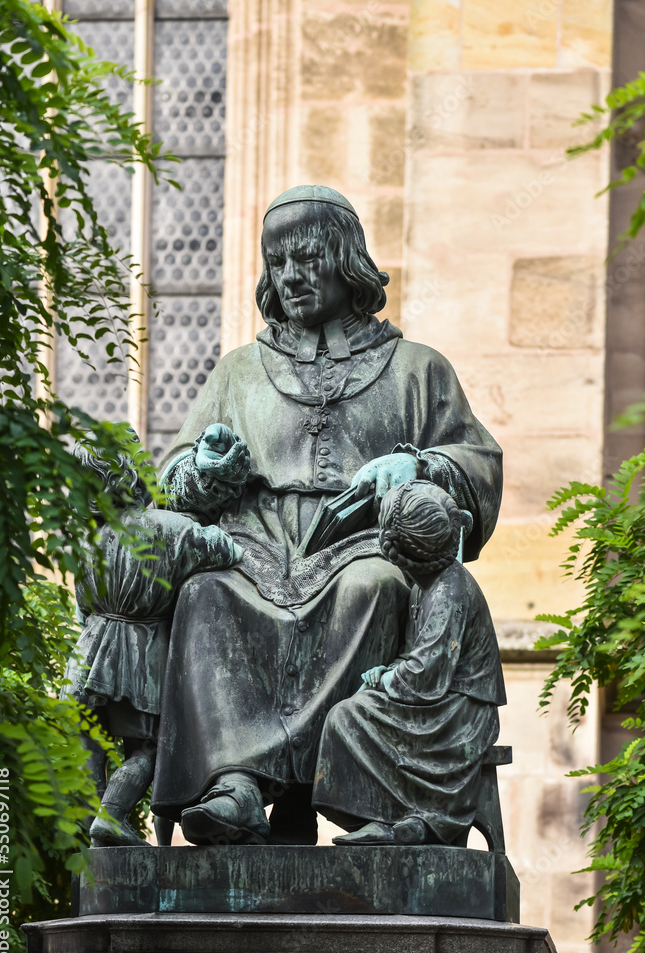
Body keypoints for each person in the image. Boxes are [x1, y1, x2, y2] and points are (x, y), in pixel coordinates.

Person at [150, 185, 503, 847]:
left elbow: (478, 464)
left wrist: (420, 468)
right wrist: (207, 472)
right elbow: (169, 479)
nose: (291, 276)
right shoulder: (238, 372)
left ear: (347, 263)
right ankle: (236, 786)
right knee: (203, 596)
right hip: (252, 552)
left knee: (375, 590)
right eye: (278, 262)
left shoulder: (417, 370)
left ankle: (334, 784)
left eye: (307, 259)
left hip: (366, 545)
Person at [60, 431, 242, 847]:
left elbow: (82, 610)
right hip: (139, 655)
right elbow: (229, 550)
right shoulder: (171, 528)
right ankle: (112, 815)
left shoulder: (88, 541)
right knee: (150, 748)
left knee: (89, 744)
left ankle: (92, 833)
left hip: (87, 656)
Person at [312, 481, 506, 845]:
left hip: (459, 713)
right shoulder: (424, 585)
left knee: (349, 717)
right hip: (438, 700)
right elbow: (417, 657)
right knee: (351, 713)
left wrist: (386, 680)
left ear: (400, 552)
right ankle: (389, 819)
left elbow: (428, 673)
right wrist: (388, 671)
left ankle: (406, 820)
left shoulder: (450, 590)